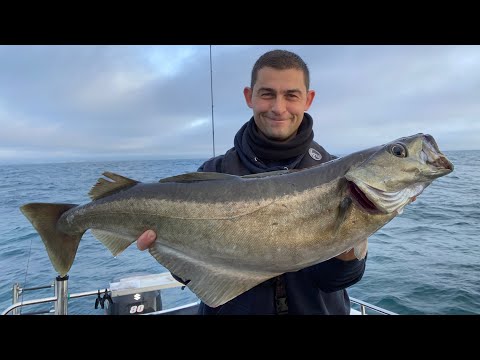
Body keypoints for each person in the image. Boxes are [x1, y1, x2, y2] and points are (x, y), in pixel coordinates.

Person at [137, 49, 367, 315]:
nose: (278, 108)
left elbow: (336, 281)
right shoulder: (214, 172)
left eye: (291, 95)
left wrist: (348, 243)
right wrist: (170, 250)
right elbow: (192, 277)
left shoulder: (338, 175)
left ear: (308, 99)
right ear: (250, 96)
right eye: (267, 94)